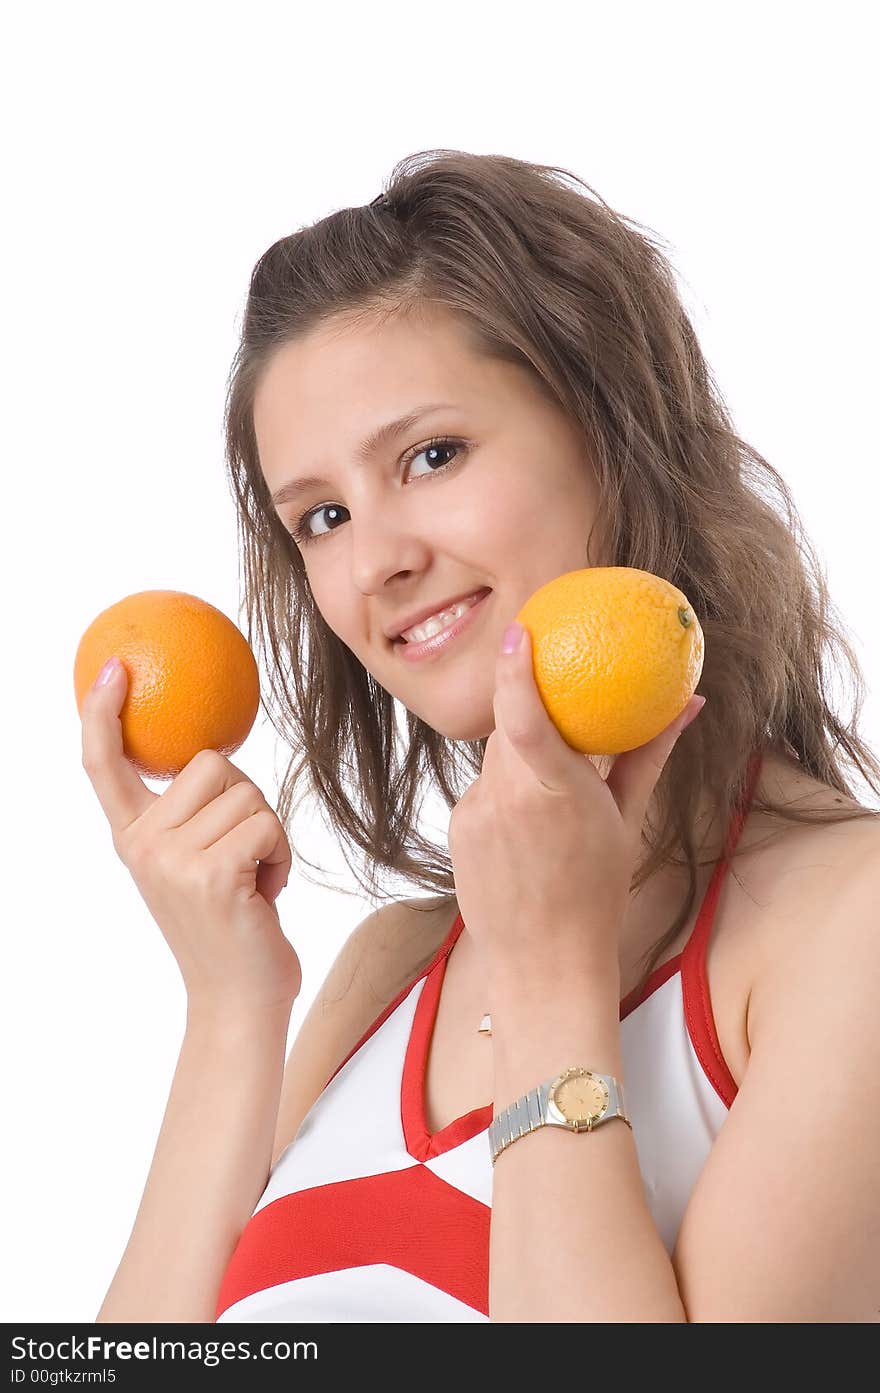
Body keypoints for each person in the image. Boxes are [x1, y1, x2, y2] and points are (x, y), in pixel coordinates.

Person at [82, 149, 880, 1324]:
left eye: (433, 456)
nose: (376, 561)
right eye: (323, 516)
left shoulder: (847, 925)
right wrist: (230, 1005)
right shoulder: (382, 974)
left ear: (613, 435)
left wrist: (557, 975)